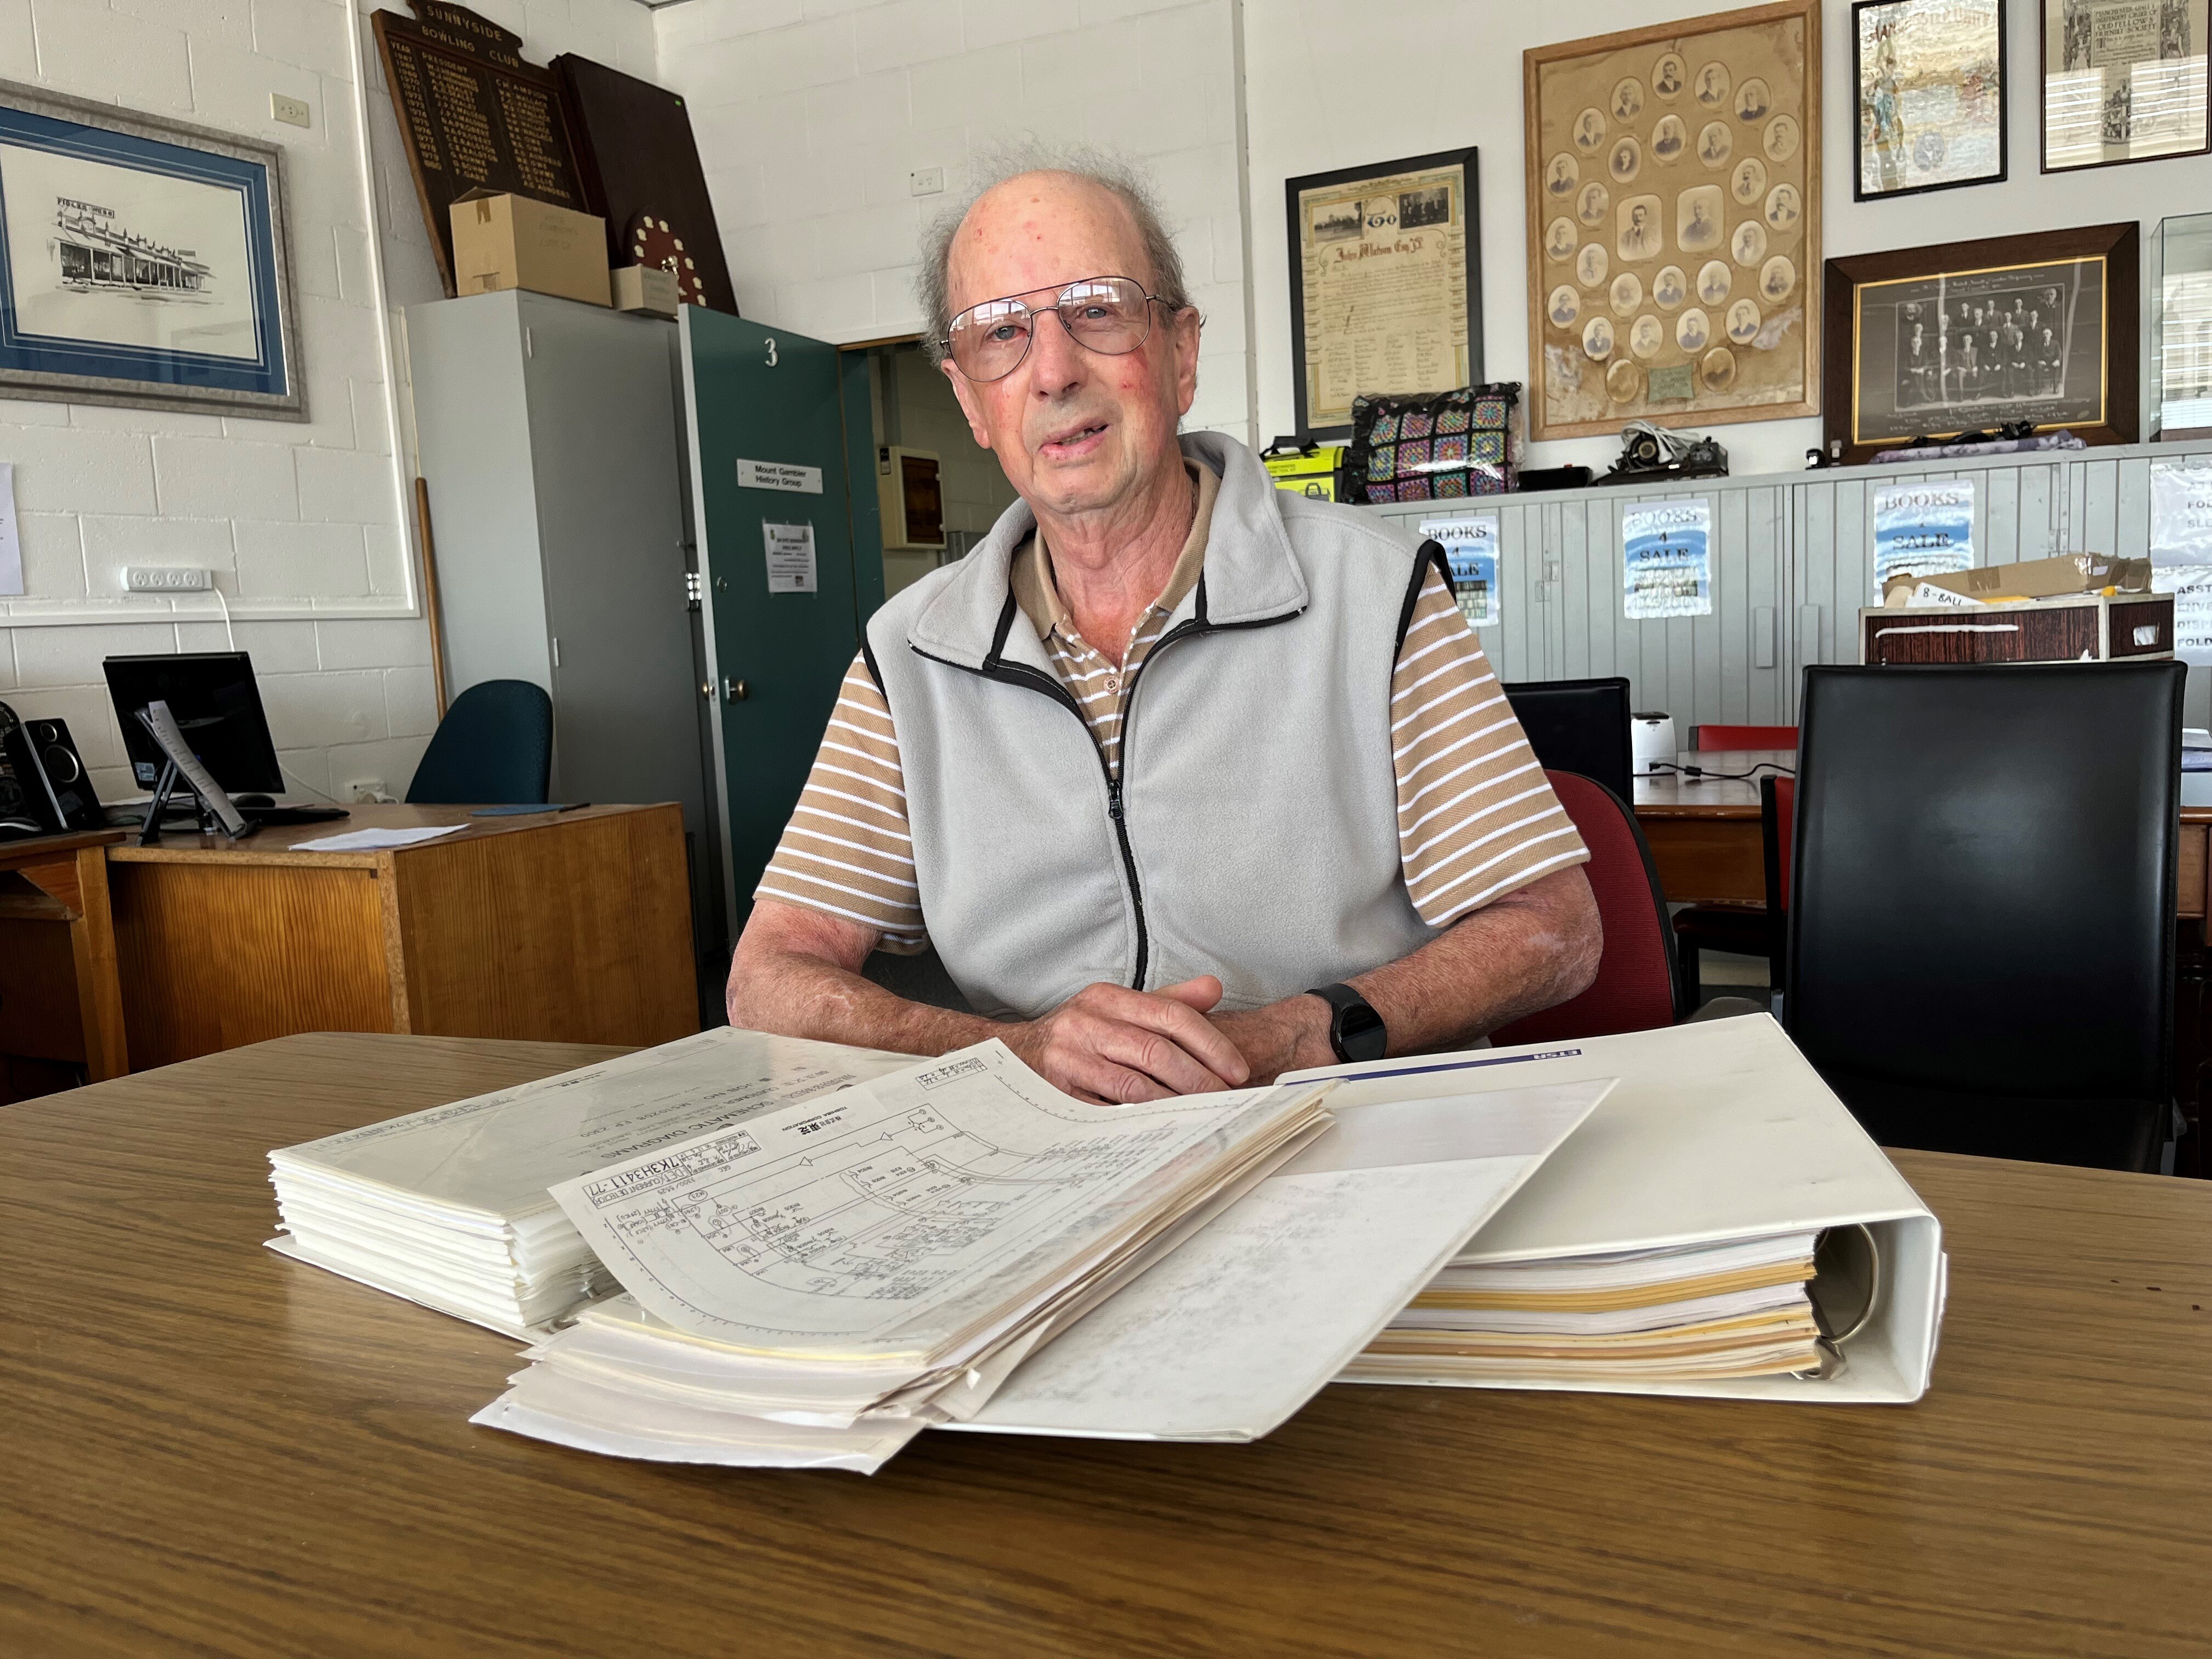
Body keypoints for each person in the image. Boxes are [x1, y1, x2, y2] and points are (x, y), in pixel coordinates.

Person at [726, 155, 1600, 1103]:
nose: (1053, 372)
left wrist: (1294, 1037)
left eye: (1097, 311)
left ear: (1181, 354)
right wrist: (1017, 1052)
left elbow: (1555, 927)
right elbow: (766, 977)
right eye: (1002, 334)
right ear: (972, 401)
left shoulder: (1375, 591)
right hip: (1053, 1150)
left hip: (1348, 1123)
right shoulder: (910, 655)